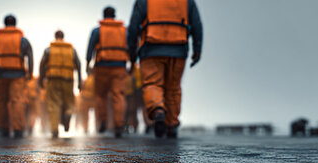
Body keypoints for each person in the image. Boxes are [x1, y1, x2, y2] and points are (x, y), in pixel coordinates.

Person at [128, 0, 203, 138]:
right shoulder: (187, 2)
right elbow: (197, 24)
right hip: (179, 49)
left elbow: (133, 26)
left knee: (152, 84)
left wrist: (132, 51)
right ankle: (172, 124)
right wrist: (197, 49)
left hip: (150, 50)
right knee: (173, 88)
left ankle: (158, 109)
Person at [0, 14, 34, 138]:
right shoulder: (23, 40)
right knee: (17, 100)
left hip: (0, 74)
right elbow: (30, 56)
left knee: (1, 101)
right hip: (18, 74)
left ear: (4, 24)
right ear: (15, 24)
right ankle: (18, 129)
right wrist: (30, 73)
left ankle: (4, 128)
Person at [86, 6, 130, 138]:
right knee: (118, 96)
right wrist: (132, 62)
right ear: (115, 15)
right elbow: (131, 46)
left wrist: (88, 64)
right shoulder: (124, 31)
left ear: (103, 15)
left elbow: (90, 48)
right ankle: (118, 126)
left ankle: (103, 121)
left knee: (100, 96)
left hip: (101, 67)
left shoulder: (97, 31)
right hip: (120, 67)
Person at [39, 30, 83, 138]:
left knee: (53, 104)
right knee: (69, 102)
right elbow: (78, 65)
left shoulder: (48, 50)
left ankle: (54, 129)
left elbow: (42, 64)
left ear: (55, 37)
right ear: (63, 37)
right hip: (68, 79)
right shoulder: (71, 50)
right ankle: (68, 113)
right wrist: (80, 81)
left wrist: (41, 78)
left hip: (52, 79)